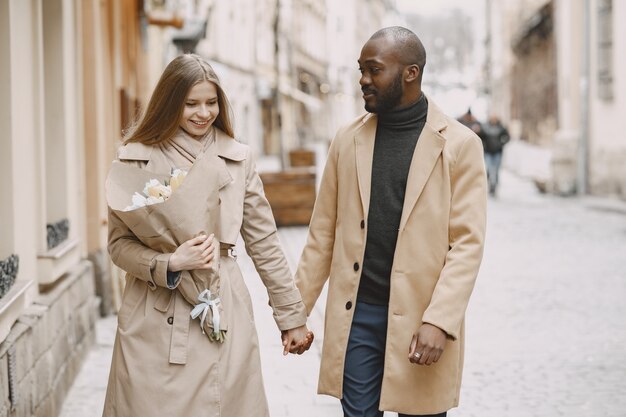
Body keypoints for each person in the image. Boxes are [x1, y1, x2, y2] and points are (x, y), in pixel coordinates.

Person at [103, 54, 313, 417]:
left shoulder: (238, 158)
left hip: (221, 304)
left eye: (212, 102)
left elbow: (263, 243)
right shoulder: (134, 159)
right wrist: (168, 262)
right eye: (191, 104)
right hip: (155, 312)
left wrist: (291, 316)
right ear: (170, 103)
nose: (204, 113)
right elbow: (118, 246)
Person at [294, 27, 487, 416]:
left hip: (421, 317)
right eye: (361, 70)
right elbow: (322, 234)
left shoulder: (461, 146)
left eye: (374, 70)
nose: (363, 80)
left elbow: (467, 244)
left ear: (410, 73)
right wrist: (294, 311)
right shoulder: (346, 141)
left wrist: (439, 321)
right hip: (357, 314)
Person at [481, 114, 510, 196]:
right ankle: (491, 185)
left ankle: (495, 186)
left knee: (496, 170)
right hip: (488, 153)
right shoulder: (486, 127)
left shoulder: (501, 128)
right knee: (490, 169)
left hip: (497, 152)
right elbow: (481, 137)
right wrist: (484, 145)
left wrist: (501, 143)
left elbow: (507, 137)